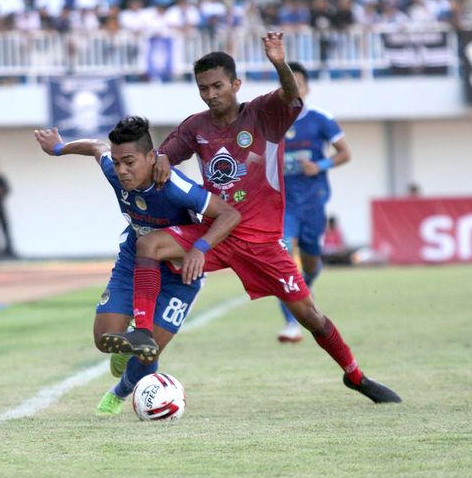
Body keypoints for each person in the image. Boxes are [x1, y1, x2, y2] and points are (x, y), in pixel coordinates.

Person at [101, 32, 401, 404]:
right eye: (203, 88)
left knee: (309, 316)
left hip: (262, 241)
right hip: (216, 232)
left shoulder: (264, 114)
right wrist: (158, 159)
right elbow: (162, 157)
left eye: (217, 85)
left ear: (236, 84)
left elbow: (292, 95)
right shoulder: (196, 127)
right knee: (149, 244)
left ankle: (355, 376)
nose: (211, 94)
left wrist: (279, 63)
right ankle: (142, 331)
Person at [34, 116, 240, 415]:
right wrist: (59, 148)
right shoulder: (115, 172)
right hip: (134, 260)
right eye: (117, 163)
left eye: (129, 162)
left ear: (150, 157)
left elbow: (229, 214)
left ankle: (120, 392)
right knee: (104, 339)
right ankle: (126, 345)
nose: (122, 170)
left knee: (149, 350)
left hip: (178, 273)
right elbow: (96, 147)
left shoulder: (174, 186)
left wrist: (200, 249)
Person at [276, 61, 352, 344]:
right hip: (283, 206)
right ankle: (291, 325)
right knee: (283, 258)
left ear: (307, 88)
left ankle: (306, 284)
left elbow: (345, 153)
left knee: (309, 263)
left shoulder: (321, 119)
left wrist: (318, 165)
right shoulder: (271, 122)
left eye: (297, 84)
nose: (293, 89)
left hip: (313, 202)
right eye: (287, 84)